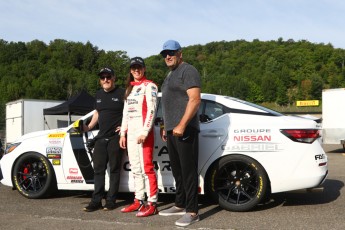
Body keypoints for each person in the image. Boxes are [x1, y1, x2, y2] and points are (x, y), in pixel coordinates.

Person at [158, 40, 201, 227]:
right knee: (177, 171)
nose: (168, 56)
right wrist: (164, 126)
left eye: (171, 52)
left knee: (188, 171)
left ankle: (192, 212)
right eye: (165, 54)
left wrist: (182, 125)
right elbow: (169, 104)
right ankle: (180, 203)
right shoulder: (169, 75)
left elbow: (195, 100)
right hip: (172, 130)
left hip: (185, 129)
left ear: (180, 53)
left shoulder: (188, 71)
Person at [119, 57, 159, 217]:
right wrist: (123, 133)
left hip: (144, 132)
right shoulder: (129, 88)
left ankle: (152, 203)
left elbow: (152, 110)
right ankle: (138, 200)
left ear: (144, 69)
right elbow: (125, 114)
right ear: (130, 70)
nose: (137, 70)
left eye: (139, 67)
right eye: (134, 67)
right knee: (135, 168)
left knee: (147, 168)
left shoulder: (150, 86)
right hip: (131, 133)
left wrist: (145, 131)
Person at [83, 67, 125, 212]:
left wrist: (125, 127)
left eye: (108, 77)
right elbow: (97, 114)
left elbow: (130, 112)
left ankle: (111, 201)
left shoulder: (122, 93)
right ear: (100, 80)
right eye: (103, 78)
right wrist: (88, 127)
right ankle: (96, 201)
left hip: (116, 138)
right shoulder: (99, 94)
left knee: (114, 170)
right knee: (98, 171)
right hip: (101, 137)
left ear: (114, 78)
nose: (105, 80)